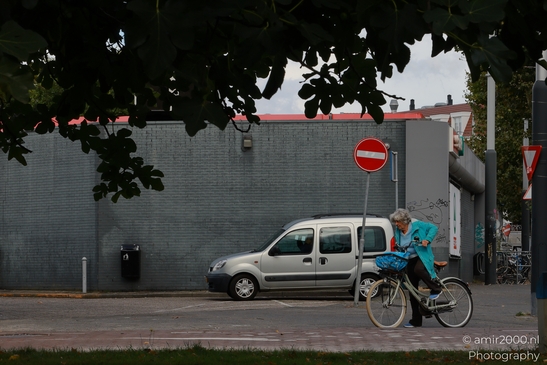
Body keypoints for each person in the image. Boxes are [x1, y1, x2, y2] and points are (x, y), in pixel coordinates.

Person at [389, 208, 442, 328]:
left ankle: (436, 288)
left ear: (405, 220)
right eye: (395, 222)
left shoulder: (417, 225)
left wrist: (427, 240)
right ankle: (416, 321)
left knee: (418, 270)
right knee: (412, 291)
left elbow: (433, 228)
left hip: (421, 256)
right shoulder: (398, 231)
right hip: (408, 260)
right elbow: (399, 245)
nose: (396, 224)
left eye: (398, 222)